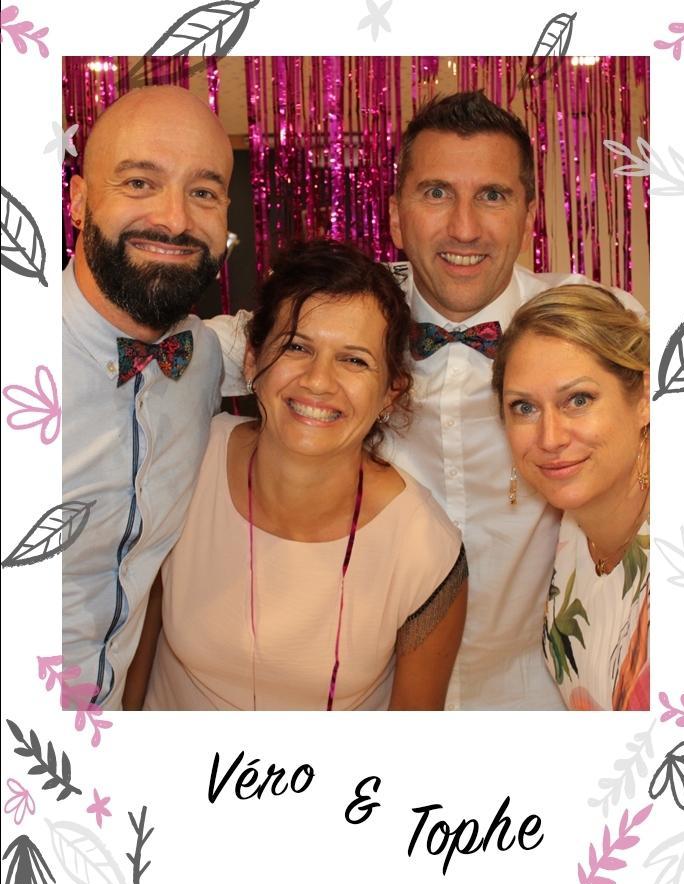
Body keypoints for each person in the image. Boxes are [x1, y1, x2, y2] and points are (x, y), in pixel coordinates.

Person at [210, 90, 645, 710]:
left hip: (540, 692)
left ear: (528, 214)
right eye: (437, 192)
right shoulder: (347, 317)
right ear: (395, 216)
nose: (464, 227)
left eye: (492, 195)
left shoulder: (591, 320)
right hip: (371, 693)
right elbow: (215, 351)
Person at [143, 240, 468, 710]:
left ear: (390, 393)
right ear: (252, 360)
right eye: (297, 347)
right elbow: (133, 641)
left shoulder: (426, 548)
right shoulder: (187, 460)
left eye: (354, 360)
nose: (318, 381)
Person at [63, 85, 234, 710]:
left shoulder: (203, 356)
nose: (175, 220)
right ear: (79, 201)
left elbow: (308, 341)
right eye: (140, 182)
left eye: (204, 192)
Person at [492, 285, 650, 710]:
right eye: (524, 408)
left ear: (644, 398)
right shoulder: (571, 533)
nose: (550, 438)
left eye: (578, 400)